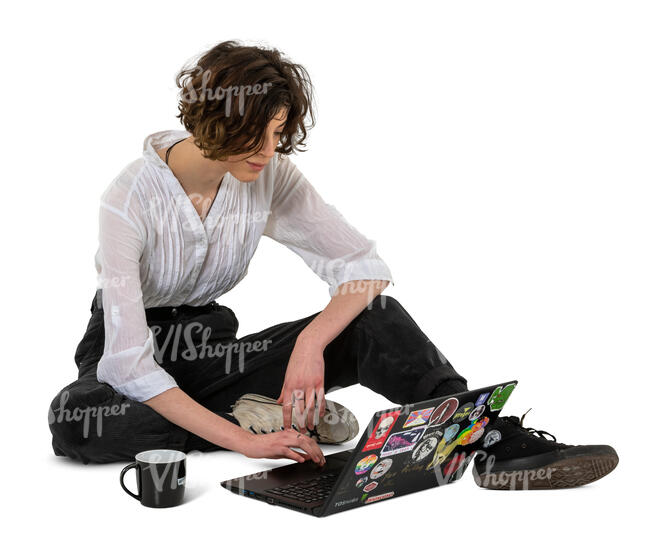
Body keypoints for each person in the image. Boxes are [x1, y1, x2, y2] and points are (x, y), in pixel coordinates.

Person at [48, 40, 618, 490]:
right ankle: (251, 418)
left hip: (213, 350)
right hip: (127, 349)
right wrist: (247, 444)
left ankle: (487, 439)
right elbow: (129, 365)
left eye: (277, 134)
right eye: (256, 134)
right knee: (78, 425)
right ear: (210, 119)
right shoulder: (127, 198)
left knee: (373, 314)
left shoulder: (266, 174)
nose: (269, 152)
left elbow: (360, 265)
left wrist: (310, 344)